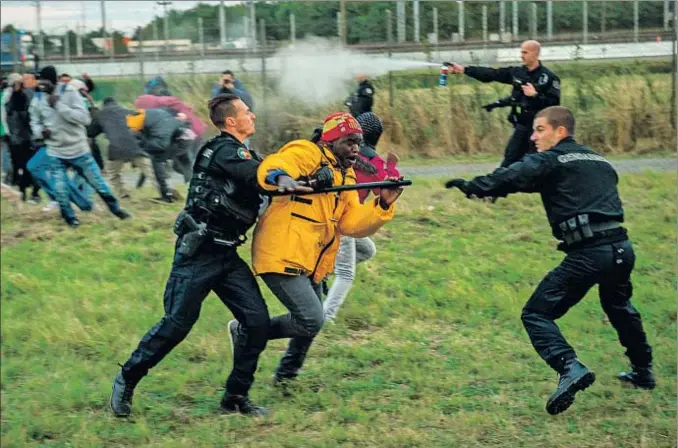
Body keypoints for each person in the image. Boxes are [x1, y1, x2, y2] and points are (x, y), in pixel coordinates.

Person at [444, 106, 655, 416]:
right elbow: (535, 183)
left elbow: (515, 174)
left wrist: (475, 186)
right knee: (619, 306)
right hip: (622, 249)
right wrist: (501, 189)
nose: (533, 136)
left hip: (588, 253)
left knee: (535, 313)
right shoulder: (599, 160)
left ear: (560, 131)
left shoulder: (552, 159)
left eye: (540, 130)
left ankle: (569, 367)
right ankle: (643, 370)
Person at [110, 94, 284, 418]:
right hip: (199, 253)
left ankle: (235, 397)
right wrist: (279, 177)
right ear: (231, 121)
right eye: (247, 112)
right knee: (177, 324)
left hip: (227, 255)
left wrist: (304, 181)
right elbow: (256, 174)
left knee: (257, 322)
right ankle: (127, 378)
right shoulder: (224, 151)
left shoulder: (243, 153)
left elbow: (263, 178)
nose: (253, 115)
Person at [241, 112, 404, 390]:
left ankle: (286, 376)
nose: (356, 148)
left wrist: (383, 205)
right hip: (282, 253)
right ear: (330, 141)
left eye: (359, 142)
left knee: (310, 324)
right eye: (349, 141)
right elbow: (277, 163)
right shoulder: (307, 151)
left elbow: (351, 224)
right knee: (312, 319)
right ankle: (247, 334)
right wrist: (280, 177)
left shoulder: (346, 174)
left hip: (312, 260)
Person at [29, 65, 130, 227]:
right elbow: (34, 121)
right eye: (39, 81)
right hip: (55, 152)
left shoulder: (70, 93)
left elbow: (84, 119)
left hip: (78, 150)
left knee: (99, 185)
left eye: (44, 81)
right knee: (61, 191)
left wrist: (60, 106)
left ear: (53, 80)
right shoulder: (38, 99)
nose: (41, 85)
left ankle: (117, 210)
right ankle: (71, 220)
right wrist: (40, 132)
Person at [323, 112, 400, 323]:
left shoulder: (338, 151)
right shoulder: (373, 161)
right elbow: (385, 188)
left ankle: (322, 273)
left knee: (367, 250)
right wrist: (391, 165)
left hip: (328, 212)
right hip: (345, 218)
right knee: (346, 274)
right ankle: (326, 317)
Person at [446, 40, 560, 168]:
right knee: (510, 160)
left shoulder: (549, 77)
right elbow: (492, 74)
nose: (521, 56)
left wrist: (535, 95)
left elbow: (554, 104)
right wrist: (464, 69)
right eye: (521, 52)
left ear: (536, 54)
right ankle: (498, 185)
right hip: (522, 125)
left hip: (540, 128)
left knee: (541, 163)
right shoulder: (517, 72)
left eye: (525, 52)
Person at [126, 107, 192, 203]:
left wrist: (143, 148)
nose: (133, 130)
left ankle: (168, 196)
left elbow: (161, 144)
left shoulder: (156, 125)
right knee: (160, 162)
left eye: (134, 129)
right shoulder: (147, 117)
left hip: (182, 140)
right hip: (179, 136)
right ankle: (169, 193)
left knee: (158, 161)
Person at [90, 97, 149, 198]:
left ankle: (123, 194)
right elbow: (143, 127)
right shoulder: (129, 112)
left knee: (112, 173)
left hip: (116, 148)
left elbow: (91, 133)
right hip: (134, 146)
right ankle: (166, 191)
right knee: (149, 170)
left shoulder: (100, 115)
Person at [4, 72, 41, 202]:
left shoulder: (29, 94)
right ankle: (29, 193)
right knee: (26, 167)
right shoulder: (19, 97)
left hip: (22, 139)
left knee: (25, 167)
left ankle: (28, 192)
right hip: (22, 139)